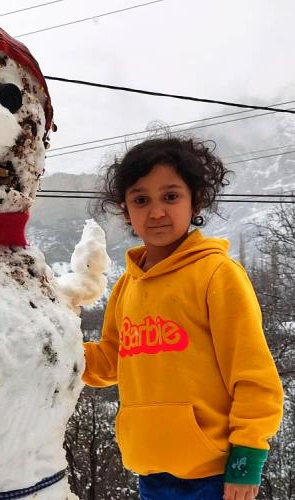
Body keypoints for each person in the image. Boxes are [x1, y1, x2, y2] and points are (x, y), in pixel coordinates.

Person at [84, 136, 284, 500]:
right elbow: (110, 361)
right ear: (125, 209)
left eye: (171, 196)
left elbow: (252, 373)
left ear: (196, 200)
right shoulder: (127, 284)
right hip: (149, 469)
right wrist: (58, 348)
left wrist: (248, 457)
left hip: (214, 476)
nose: (156, 211)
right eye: (141, 199)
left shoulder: (216, 274)